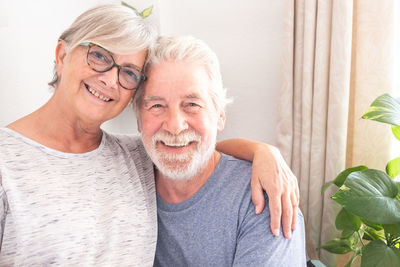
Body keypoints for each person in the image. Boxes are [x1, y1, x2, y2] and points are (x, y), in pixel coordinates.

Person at [0, 4, 298, 266]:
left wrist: (264, 153)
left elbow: (194, 149)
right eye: (100, 56)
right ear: (62, 55)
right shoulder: (6, 165)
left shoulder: (133, 157)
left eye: (128, 72)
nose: (110, 79)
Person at [133, 35, 306, 266]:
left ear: (220, 116)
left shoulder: (264, 198)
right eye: (156, 106)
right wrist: (260, 150)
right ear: (138, 119)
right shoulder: (127, 177)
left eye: (192, 105)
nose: (174, 126)